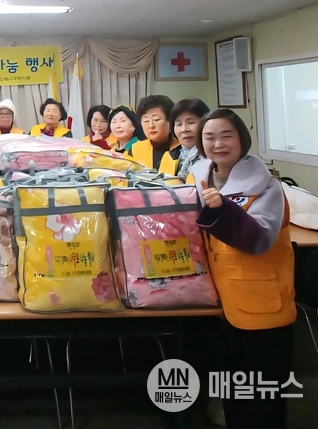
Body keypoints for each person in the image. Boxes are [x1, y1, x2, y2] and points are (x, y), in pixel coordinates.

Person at [189, 109, 295, 429]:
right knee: (232, 389)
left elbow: (259, 240)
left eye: (227, 136)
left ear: (242, 140)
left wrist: (223, 209)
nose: (218, 143)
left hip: (259, 301)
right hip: (217, 302)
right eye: (209, 137)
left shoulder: (266, 186)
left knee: (264, 393)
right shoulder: (196, 179)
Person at [131, 95, 180, 171]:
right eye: (146, 121)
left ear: (170, 121)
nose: (151, 125)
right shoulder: (135, 149)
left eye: (156, 119)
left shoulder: (181, 150)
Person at [166, 98, 210, 178]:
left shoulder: (211, 157)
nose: (184, 129)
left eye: (191, 122)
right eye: (179, 124)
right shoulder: (170, 155)